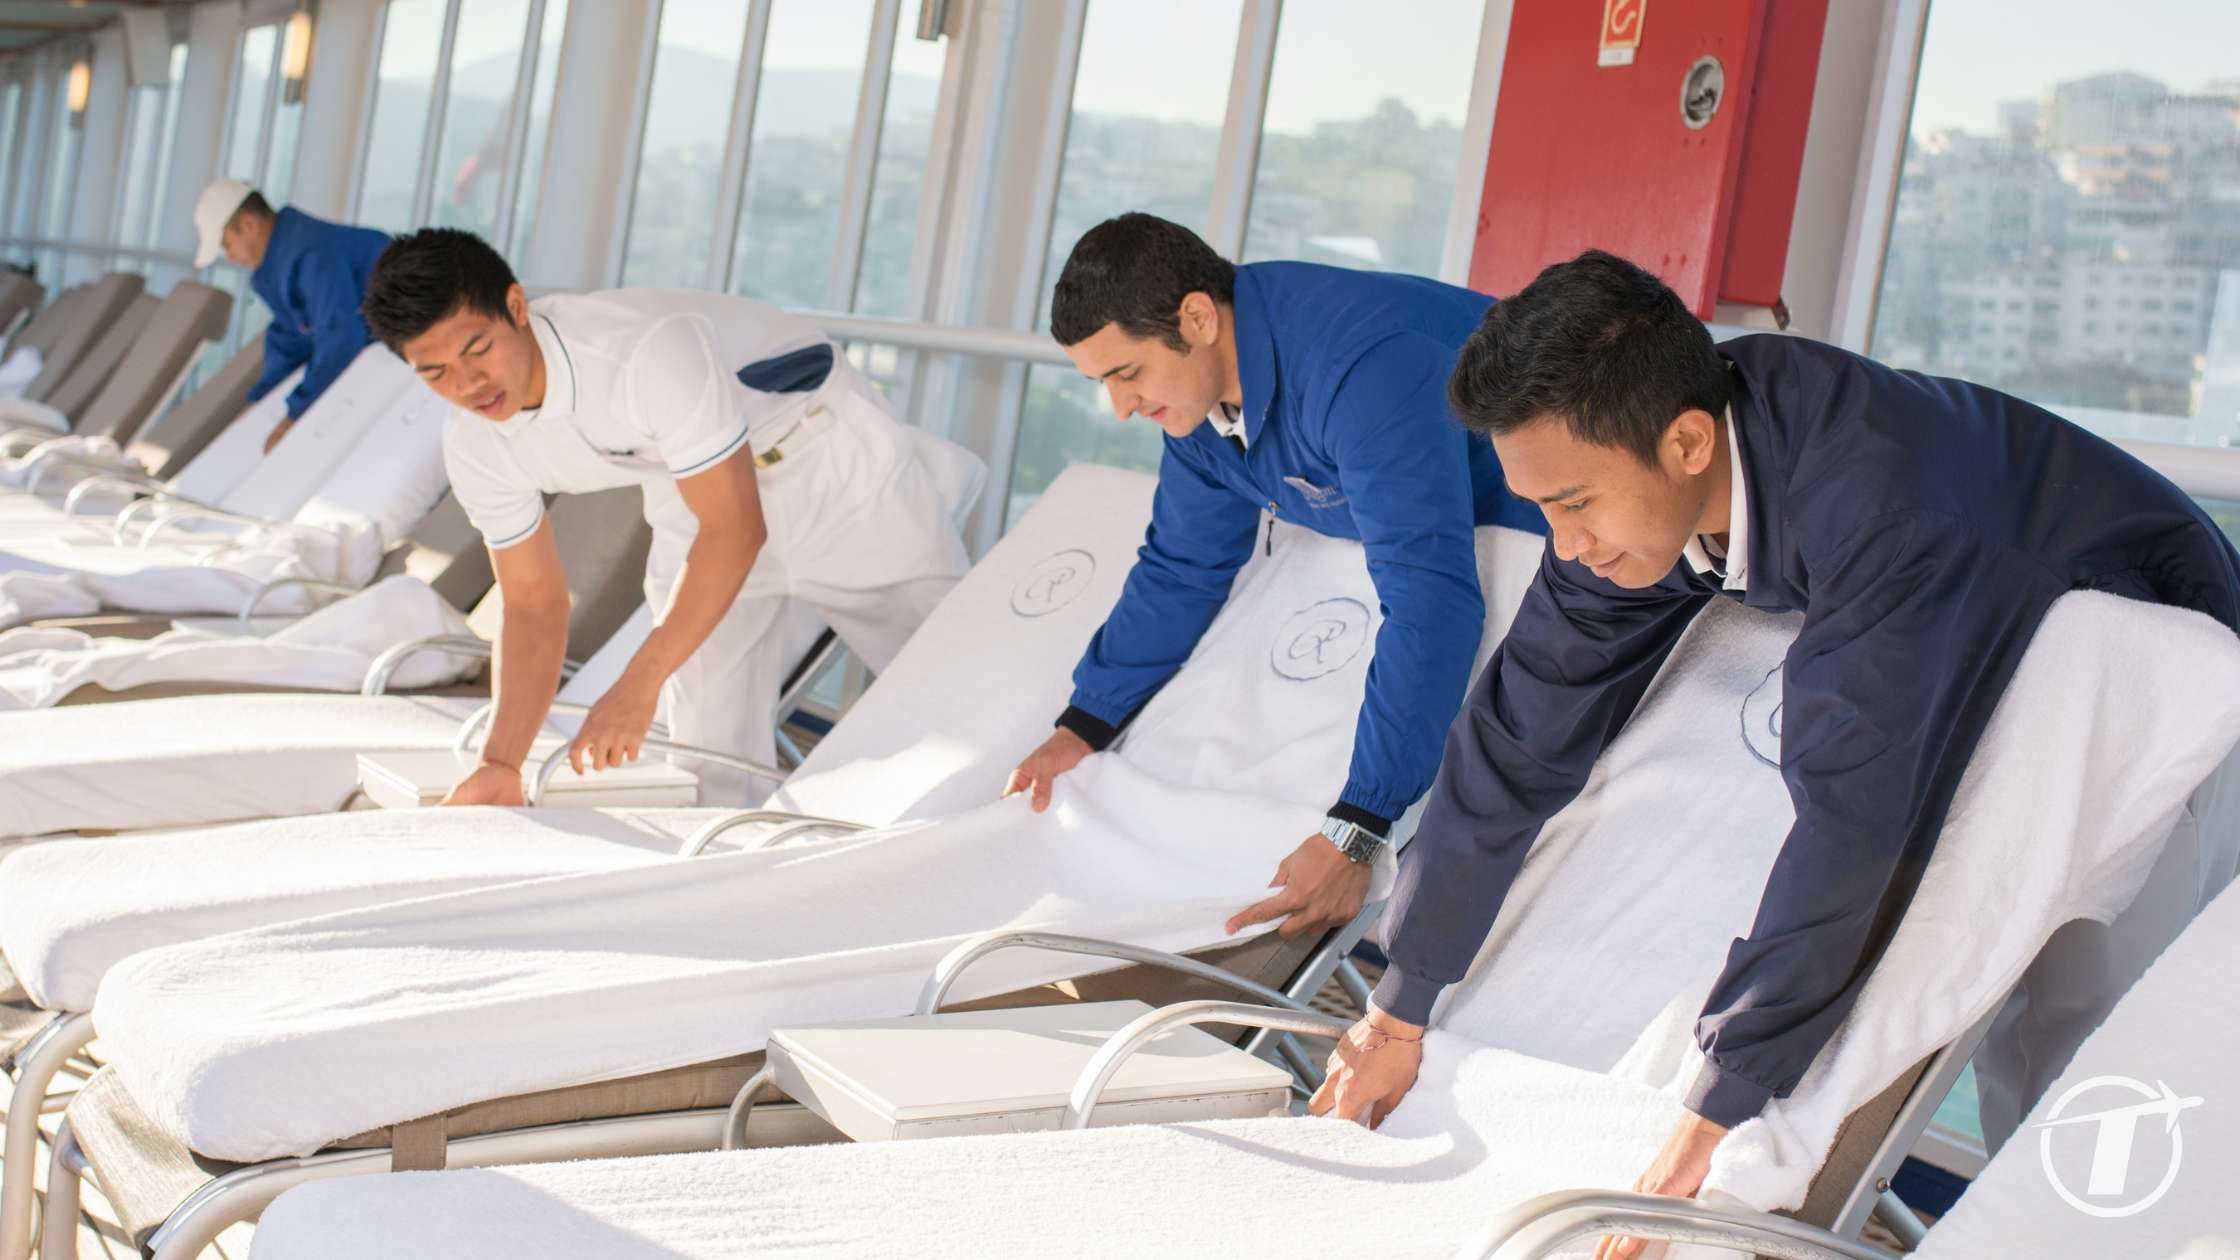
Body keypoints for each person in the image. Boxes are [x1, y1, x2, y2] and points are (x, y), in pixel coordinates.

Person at [1307, 250, 2240, 1259]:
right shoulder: (1641, 463)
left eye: (1573, 503)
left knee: (2079, 1057)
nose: (1562, 543)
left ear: (1687, 442)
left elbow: (1854, 826)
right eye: (1540, 507)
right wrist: (1399, 1009)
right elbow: (1514, 740)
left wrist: (1713, 1115)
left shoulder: (1885, 516)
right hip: (1952, 573)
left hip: (2152, 666)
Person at [1004, 212, 1544, 941]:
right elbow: (1182, 565)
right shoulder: (1194, 403)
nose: (1122, 407)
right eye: (1103, 382)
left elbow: (1431, 599)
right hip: (1433, 537)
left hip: (1551, 532)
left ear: (1196, 317)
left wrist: (1361, 825)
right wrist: (1085, 722)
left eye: (1127, 374)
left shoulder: (1363, 369)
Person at [359, 228, 976, 805]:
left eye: (478, 350)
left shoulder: (640, 349)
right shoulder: (475, 443)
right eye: (435, 373)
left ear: (517, 307)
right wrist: (501, 762)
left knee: (961, 684)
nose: (468, 384)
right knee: (705, 742)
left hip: (828, 465)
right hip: (691, 484)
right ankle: (729, 889)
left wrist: (635, 684)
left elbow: (737, 529)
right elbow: (531, 603)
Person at [191, 179, 392, 452]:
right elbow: (290, 339)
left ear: (249, 224)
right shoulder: (276, 267)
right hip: (370, 352)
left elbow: (341, 338)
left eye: (228, 244)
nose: (231, 257)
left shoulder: (314, 253)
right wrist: (258, 401)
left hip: (400, 355)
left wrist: (294, 415)